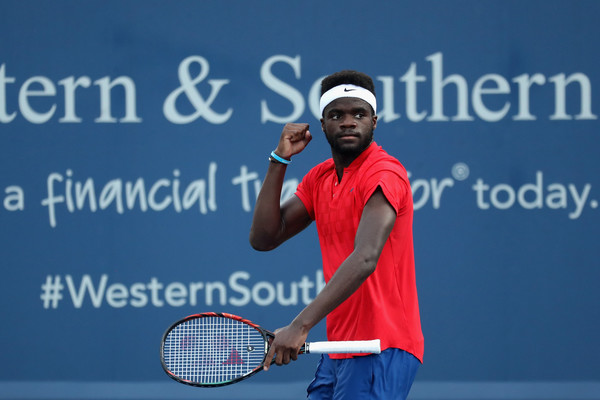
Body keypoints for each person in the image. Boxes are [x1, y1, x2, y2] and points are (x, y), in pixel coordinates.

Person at [249, 70, 424, 399]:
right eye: (336, 115)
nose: (348, 122)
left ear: (374, 121)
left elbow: (366, 257)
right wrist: (279, 159)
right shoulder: (321, 178)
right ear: (322, 124)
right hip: (340, 347)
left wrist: (300, 325)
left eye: (358, 114)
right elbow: (264, 237)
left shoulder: (384, 172)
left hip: (380, 346)